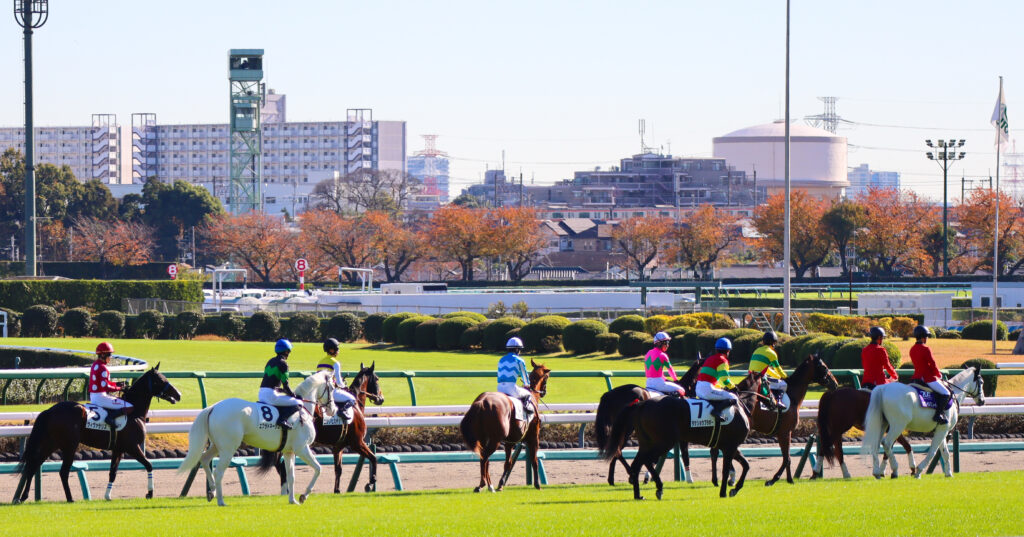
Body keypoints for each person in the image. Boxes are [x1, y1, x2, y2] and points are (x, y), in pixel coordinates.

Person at [258, 339, 303, 430]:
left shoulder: (270, 361)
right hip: (271, 396)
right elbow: (286, 385)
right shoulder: (284, 364)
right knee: (298, 402)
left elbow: (271, 381)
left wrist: (282, 390)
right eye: (289, 351)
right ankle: (282, 420)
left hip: (261, 393)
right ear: (286, 351)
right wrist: (293, 395)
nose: (289, 353)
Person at [910, 326, 951, 424]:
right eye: (927, 336)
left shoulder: (912, 349)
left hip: (916, 377)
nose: (927, 338)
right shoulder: (926, 348)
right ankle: (938, 415)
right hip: (928, 378)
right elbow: (932, 364)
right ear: (923, 337)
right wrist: (938, 374)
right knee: (946, 393)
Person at [88, 342, 133, 428]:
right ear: (103, 355)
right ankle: (110, 418)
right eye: (109, 355)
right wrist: (119, 388)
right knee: (130, 407)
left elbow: (104, 383)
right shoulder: (103, 368)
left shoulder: (95, 364)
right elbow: (106, 387)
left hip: (94, 396)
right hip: (101, 398)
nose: (110, 357)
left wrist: (116, 384)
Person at [695, 337, 739, 419]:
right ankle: (717, 411)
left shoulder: (709, 358)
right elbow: (724, 380)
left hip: (698, 389)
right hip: (707, 390)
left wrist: (721, 388)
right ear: (728, 351)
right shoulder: (723, 360)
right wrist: (733, 387)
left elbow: (711, 380)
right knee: (734, 397)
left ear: (716, 349)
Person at [317, 338, 357, 424]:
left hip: (319, 393)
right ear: (332, 350)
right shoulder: (335, 363)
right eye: (337, 349)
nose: (338, 351)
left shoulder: (320, 362)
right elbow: (339, 382)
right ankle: (342, 411)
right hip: (330, 392)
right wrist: (344, 386)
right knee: (352, 399)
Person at [497, 337, 534, 424]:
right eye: (520, 350)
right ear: (517, 349)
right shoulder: (519, 360)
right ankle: (527, 416)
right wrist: (527, 385)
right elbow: (524, 375)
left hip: (499, 388)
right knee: (528, 394)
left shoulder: (501, 359)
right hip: (512, 388)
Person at [749, 330, 789, 410]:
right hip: (760, 380)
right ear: (774, 343)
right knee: (783, 384)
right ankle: (779, 401)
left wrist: (777, 376)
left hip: (749, 378)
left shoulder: (756, 350)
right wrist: (784, 376)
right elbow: (778, 369)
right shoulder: (772, 353)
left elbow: (766, 369)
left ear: (763, 341)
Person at [644, 332, 685, 397]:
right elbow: (670, 370)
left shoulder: (648, 353)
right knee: (682, 389)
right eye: (666, 343)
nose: (667, 345)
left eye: (668, 343)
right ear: (659, 343)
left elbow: (655, 370)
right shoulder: (663, 355)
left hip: (648, 383)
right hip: (659, 384)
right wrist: (675, 380)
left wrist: (665, 378)